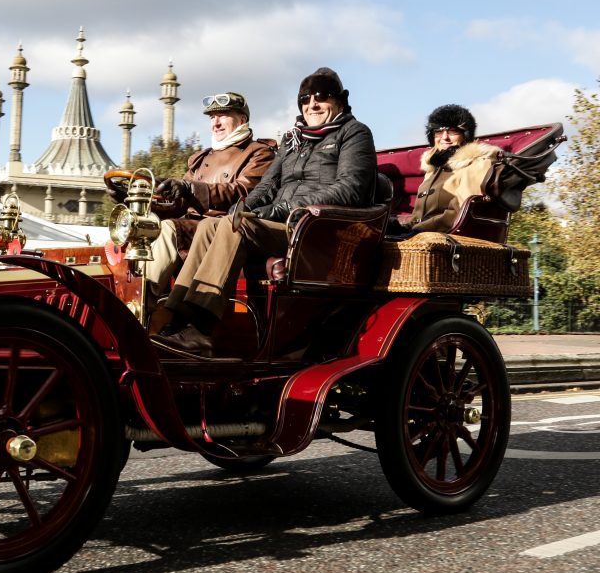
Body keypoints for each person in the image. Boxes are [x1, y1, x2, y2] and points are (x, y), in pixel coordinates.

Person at [151, 67, 378, 357]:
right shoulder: (294, 140)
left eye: (322, 97)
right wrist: (240, 208)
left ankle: (202, 330)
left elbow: (352, 188)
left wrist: (284, 208)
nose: (313, 105)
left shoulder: (355, 133)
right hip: (285, 226)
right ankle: (176, 317)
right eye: (305, 100)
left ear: (340, 102)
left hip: (317, 230)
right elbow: (267, 187)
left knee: (237, 227)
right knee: (216, 225)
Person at [110, 92, 276, 302]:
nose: (215, 123)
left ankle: (140, 300)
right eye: (211, 117)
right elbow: (178, 202)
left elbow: (243, 193)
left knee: (168, 229)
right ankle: (122, 297)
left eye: (223, 115)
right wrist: (133, 200)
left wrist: (190, 189)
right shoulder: (201, 158)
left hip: (223, 228)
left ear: (242, 119)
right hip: (191, 226)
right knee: (133, 233)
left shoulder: (259, 153)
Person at [392, 104, 500, 234]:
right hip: (421, 236)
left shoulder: (476, 164)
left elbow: (462, 210)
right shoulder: (434, 168)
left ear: (465, 135)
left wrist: (418, 230)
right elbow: (418, 218)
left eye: (452, 131)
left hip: (448, 239)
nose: (444, 137)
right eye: (438, 131)